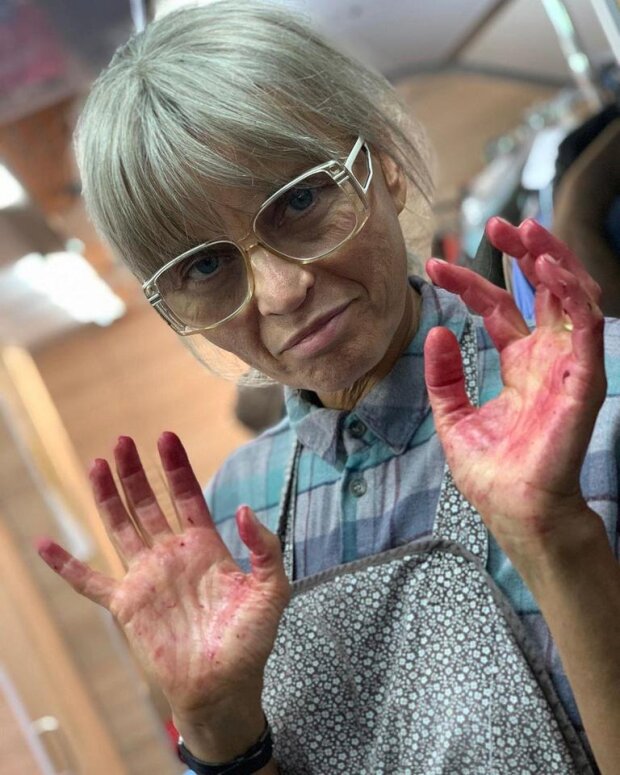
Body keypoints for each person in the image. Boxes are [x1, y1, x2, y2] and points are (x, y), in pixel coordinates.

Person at [37, 2, 620, 773]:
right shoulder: (234, 510)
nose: (282, 292)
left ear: (383, 164)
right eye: (205, 266)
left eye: (300, 200)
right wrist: (217, 729)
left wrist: (559, 537)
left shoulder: (600, 401)